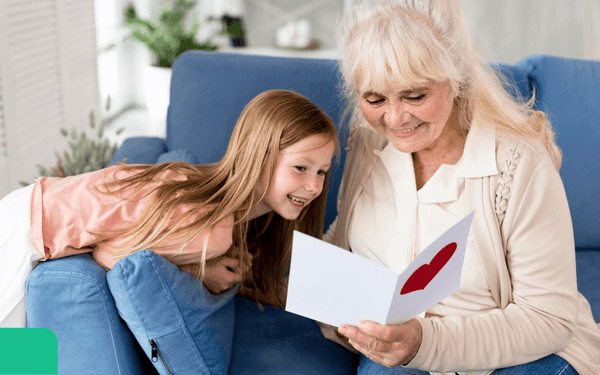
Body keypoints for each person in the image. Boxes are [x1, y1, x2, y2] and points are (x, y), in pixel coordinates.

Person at [320, 1, 600, 374]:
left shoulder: (517, 165)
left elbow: (548, 320)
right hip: (405, 355)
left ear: (456, 80)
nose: (395, 118)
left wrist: (425, 341)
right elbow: (346, 245)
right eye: (374, 99)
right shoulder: (368, 145)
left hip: (524, 353)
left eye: (415, 96)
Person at [0, 89, 338, 328]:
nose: (314, 186)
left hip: (33, 208)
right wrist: (198, 273)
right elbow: (113, 258)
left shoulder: (225, 214)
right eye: (301, 168)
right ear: (258, 157)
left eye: (322, 171)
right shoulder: (212, 229)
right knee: (19, 364)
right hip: (28, 229)